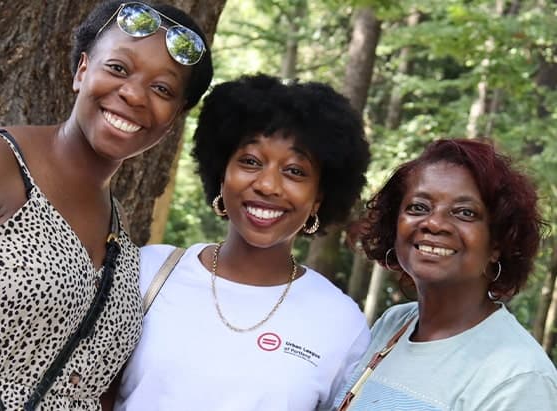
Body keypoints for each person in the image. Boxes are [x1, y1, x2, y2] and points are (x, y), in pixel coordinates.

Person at [0, 0, 212, 409]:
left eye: (162, 89)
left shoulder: (120, 229)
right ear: (82, 71)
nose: (133, 93)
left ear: (173, 120)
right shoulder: (6, 165)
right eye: (117, 68)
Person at [114, 73, 372, 411]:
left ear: (319, 197)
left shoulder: (340, 323)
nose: (267, 185)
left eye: (295, 171)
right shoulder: (147, 272)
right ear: (222, 174)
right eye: (250, 161)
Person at [335, 139, 557, 411]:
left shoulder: (519, 377)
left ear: (498, 243)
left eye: (465, 212)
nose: (434, 223)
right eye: (418, 207)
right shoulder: (395, 324)